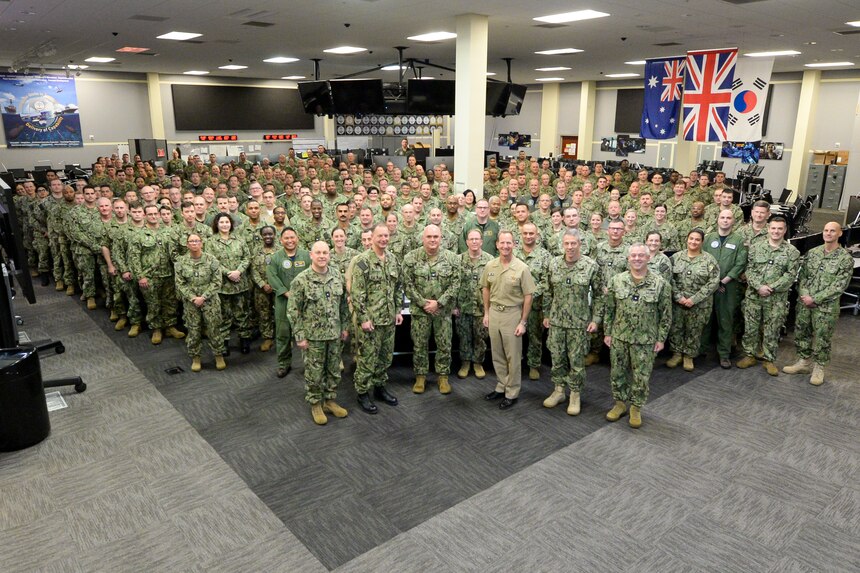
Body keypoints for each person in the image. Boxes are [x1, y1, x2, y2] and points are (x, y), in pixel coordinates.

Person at [603, 243, 672, 428]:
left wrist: (661, 338)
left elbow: (666, 314)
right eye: (633, 255)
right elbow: (609, 309)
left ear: (648, 258)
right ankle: (619, 404)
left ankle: (635, 407)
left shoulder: (660, 284)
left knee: (641, 375)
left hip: (645, 339)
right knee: (617, 372)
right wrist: (607, 332)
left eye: (641, 255)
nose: (637, 259)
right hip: (619, 336)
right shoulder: (616, 281)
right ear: (628, 258)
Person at [287, 241, 350, 425]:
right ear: (311, 255)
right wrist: (300, 335)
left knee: (333, 370)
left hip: (334, 334)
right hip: (312, 337)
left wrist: (344, 327)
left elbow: (344, 305)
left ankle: (329, 400)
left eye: (325, 252)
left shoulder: (336, 276)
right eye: (318, 253)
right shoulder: (301, 280)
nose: (322, 256)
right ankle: (315, 403)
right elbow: (293, 310)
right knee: (314, 372)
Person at [783, 222, 853, 385]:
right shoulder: (812, 253)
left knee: (822, 338)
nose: (828, 233)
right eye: (826, 230)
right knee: (802, 333)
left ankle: (819, 367)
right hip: (805, 303)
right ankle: (803, 362)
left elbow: (839, 285)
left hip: (826, 307)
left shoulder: (845, 258)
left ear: (839, 234)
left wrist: (815, 299)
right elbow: (803, 277)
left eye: (832, 231)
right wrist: (805, 295)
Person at [542, 230, 599, 415]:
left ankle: (575, 394)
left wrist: (596, 319)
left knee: (576, 361)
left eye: (573, 243)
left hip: (579, 323)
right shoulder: (554, 264)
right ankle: (559, 390)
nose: (570, 247)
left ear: (579, 244)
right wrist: (546, 314)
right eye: (566, 243)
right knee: (557, 358)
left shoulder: (590, 266)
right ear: (562, 244)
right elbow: (547, 291)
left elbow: (600, 296)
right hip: (557, 321)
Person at [736, 216, 800, 375]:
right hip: (754, 296)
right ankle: (749, 355)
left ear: (784, 230)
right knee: (750, 328)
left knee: (772, 329)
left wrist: (770, 287)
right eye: (773, 228)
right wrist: (759, 287)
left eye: (780, 229)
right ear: (768, 229)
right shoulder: (756, 247)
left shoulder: (792, 252)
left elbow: (790, 275)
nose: (776, 231)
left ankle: (769, 359)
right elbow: (749, 270)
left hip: (776, 299)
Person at [351, 224, 404, 414]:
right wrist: (364, 318)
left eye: (386, 235)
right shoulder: (363, 262)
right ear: (371, 237)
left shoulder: (393, 260)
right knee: (367, 358)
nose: (383, 239)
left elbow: (398, 287)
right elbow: (357, 293)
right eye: (379, 236)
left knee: (385, 357)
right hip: (371, 321)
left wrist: (398, 310)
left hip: (389, 319)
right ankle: (363, 392)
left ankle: (380, 386)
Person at [402, 225, 461, 394]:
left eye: (436, 236)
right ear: (423, 238)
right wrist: (423, 303)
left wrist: (439, 303)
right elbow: (407, 284)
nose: (432, 240)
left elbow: (456, 283)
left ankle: (443, 376)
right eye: (429, 237)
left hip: (442, 312)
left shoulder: (452, 258)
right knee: (419, 345)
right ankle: (420, 376)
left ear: (441, 238)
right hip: (420, 312)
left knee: (444, 344)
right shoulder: (411, 258)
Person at [481, 230, 536, 410]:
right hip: (495, 313)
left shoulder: (522, 268)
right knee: (497, 355)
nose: (505, 246)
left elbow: (528, 296)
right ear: (497, 244)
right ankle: (501, 385)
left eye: (509, 243)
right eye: (502, 243)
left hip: (513, 315)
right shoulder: (490, 265)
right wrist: (487, 313)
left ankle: (512, 391)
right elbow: (485, 289)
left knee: (513, 357)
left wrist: (523, 322)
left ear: (514, 245)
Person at [127, 204, 185, 344]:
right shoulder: (138, 235)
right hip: (150, 276)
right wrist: (140, 276)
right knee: (153, 303)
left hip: (168, 274)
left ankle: (170, 326)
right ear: (145, 216)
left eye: (155, 214)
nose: (153, 216)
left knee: (170, 302)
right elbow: (134, 257)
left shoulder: (169, 232)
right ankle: (156, 329)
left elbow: (176, 252)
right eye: (150, 214)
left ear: (159, 215)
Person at [667, 229, 720, 371]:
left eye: (697, 239)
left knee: (694, 330)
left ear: (702, 242)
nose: (693, 242)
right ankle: (677, 354)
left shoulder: (709, 260)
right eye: (691, 238)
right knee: (676, 328)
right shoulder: (675, 258)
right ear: (687, 239)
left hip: (699, 304)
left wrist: (694, 299)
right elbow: (669, 279)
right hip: (678, 302)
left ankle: (689, 356)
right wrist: (678, 297)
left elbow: (713, 283)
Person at [701, 210, 747, 369]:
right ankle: (701, 351)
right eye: (722, 217)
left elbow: (741, 263)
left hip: (728, 287)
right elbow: (702, 260)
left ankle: (724, 354)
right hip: (708, 286)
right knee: (705, 319)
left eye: (728, 218)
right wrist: (713, 282)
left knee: (725, 321)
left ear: (733, 221)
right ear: (717, 220)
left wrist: (724, 281)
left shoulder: (739, 240)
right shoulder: (708, 239)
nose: (725, 220)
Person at [174, 234, 227, 372]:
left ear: (201, 243)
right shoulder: (180, 262)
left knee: (214, 328)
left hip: (210, 301)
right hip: (191, 303)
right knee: (193, 329)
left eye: (197, 241)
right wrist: (193, 298)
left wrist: (203, 297)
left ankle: (218, 355)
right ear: (187, 244)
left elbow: (217, 282)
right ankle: (196, 357)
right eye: (191, 241)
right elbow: (180, 284)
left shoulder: (212, 260)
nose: (194, 243)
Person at [267, 227, 312, 378]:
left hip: (305, 303)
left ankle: (311, 364)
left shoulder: (306, 256)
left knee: (308, 334)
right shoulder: (275, 258)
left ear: (297, 238)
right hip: (283, 302)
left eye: (292, 237)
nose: (290, 240)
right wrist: (286, 292)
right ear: (281, 240)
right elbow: (272, 276)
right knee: (283, 334)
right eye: (286, 238)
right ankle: (283, 364)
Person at [207, 213, 254, 354]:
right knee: (225, 315)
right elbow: (211, 261)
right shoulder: (210, 242)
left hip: (240, 283)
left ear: (231, 224)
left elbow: (247, 257)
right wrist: (228, 273)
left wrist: (238, 271)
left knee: (242, 313)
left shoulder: (239, 239)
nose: (225, 225)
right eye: (221, 222)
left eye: (227, 222)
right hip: (223, 285)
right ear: (217, 224)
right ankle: (225, 342)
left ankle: (244, 339)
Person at [455, 229, 493, 380]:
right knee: (463, 336)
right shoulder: (458, 260)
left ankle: (478, 363)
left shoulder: (490, 261)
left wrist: (489, 309)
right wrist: (453, 306)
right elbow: (453, 284)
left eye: (477, 239)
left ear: (482, 241)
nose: (474, 242)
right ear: (467, 242)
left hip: (481, 307)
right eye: (471, 239)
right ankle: (465, 363)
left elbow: (492, 285)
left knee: (480, 336)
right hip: (462, 306)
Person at [250, 226, 278, 352]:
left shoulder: (280, 250)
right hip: (261, 289)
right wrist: (263, 284)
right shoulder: (256, 250)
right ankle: (267, 338)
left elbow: (283, 268)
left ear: (275, 235)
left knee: (279, 313)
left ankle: (282, 337)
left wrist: (274, 284)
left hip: (278, 288)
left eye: (270, 234)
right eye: (265, 234)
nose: (268, 237)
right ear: (261, 236)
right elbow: (253, 270)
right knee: (264, 313)